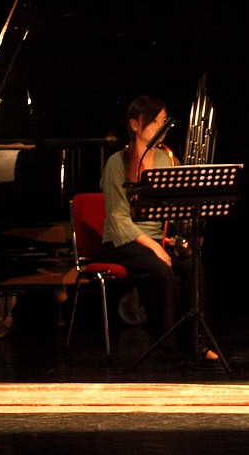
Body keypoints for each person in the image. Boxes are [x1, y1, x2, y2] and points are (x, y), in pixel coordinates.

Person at [100, 95, 218, 362]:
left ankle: (199, 341)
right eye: (154, 121)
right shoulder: (117, 163)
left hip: (158, 239)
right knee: (160, 271)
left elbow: (176, 209)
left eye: (163, 121)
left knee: (193, 266)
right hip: (125, 241)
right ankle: (170, 343)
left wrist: (187, 233)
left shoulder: (167, 160)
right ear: (135, 124)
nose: (161, 127)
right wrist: (155, 247)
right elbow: (119, 218)